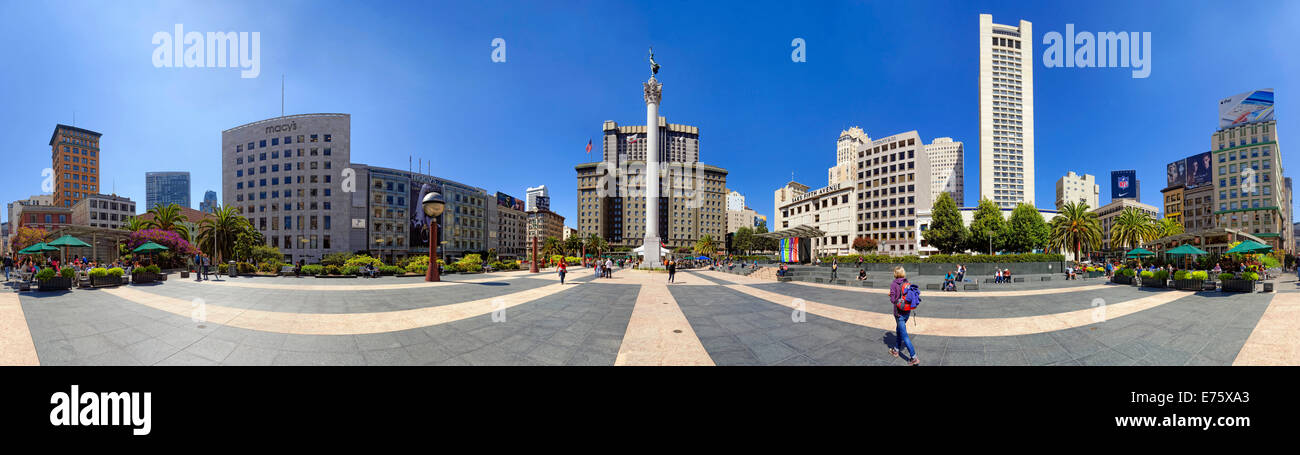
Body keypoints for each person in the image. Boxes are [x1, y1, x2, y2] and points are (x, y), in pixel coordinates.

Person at [888, 266, 920, 366]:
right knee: (899, 330)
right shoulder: (907, 282)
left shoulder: (894, 284)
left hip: (899, 313)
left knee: (904, 335)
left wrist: (890, 295)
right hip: (907, 311)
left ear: (895, 273)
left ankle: (913, 357)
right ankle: (896, 350)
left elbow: (893, 300)